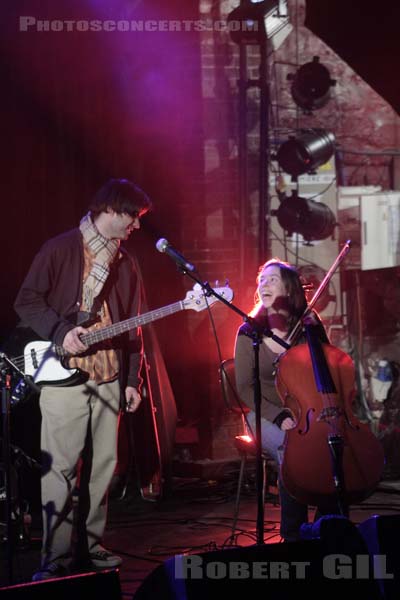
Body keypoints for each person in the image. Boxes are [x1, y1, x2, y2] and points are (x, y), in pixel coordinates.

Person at [14, 178, 152, 580]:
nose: (136, 226)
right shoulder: (60, 248)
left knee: (103, 468)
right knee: (59, 469)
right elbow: (26, 300)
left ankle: (92, 547)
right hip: (62, 378)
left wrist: (131, 380)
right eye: (133, 216)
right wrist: (60, 332)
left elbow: (134, 328)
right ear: (110, 209)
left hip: (109, 377)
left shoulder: (127, 263)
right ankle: (54, 559)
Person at [234, 257, 330, 542]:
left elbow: (328, 370)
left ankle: (327, 526)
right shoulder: (249, 332)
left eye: (272, 279)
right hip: (263, 412)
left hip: (307, 412)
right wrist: (278, 415)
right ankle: (293, 534)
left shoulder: (308, 326)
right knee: (290, 451)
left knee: (333, 448)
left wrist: (314, 331)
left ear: (289, 289)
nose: (264, 283)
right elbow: (244, 387)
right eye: (261, 280)